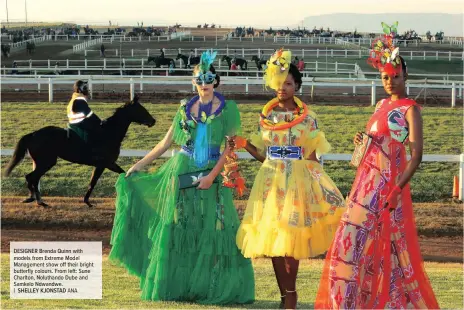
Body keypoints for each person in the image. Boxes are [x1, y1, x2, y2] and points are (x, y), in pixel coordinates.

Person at [109, 50, 255, 305]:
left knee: (215, 226)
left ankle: (210, 286)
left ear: (216, 80)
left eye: (209, 78)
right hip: (182, 171)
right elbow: (166, 143)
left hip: (213, 173)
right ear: (193, 82)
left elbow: (230, 147)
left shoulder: (228, 109)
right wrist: (140, 164)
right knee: (183, 225)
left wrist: (211, 176)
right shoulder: (184, 109)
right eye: (199, 79)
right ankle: (183, 285)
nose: (204, 83)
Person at [315, 22, 440, 309]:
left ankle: (387, 301)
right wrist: (362, 139)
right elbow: (375, 143)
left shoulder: (410, 109)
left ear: (405, 75)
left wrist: (397, 190)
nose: (390, 81)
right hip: (363, 185)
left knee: (384, 246)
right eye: (385, 77)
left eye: (395, 76)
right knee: (350, 240)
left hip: (386, 187)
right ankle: (350, 301)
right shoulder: (380, 105)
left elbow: (416, 154)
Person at [228, 49, 345, 309]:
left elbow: (313, 156)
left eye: (289, 83)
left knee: (292, 239)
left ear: (297, 86)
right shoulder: (266, 117)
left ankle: (290, 296)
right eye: (280, 82)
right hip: (271, 182)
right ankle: (285, 295)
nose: (283, 87)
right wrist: (244, 144)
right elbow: (264, 154)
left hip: (298, 183)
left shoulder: (309, 118)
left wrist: (322, 187)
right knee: (274, 240)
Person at [67, 80, 104, 154]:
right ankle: (90, 150)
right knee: (95, 128)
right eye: (85, 88)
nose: (87, 90)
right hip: (78, 122)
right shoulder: (79, 100)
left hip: (76, 120)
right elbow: (89, 114)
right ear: (80, 90)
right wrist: (100, 121)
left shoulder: (76, 97)